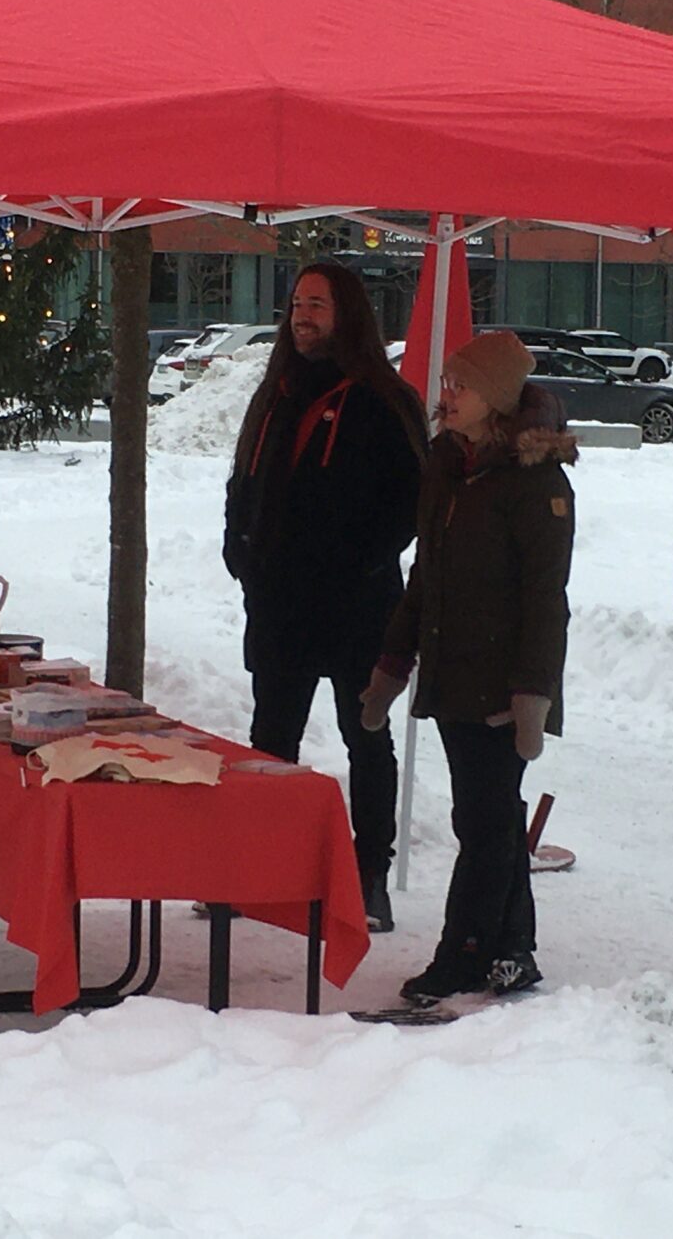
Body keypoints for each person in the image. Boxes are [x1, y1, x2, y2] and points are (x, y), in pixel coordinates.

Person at [361, 331, 576, 1004]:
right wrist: (391, 669)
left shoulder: (537, 483)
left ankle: (465, 952)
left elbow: (547, 601)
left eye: (461, 385)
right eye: (446, 382)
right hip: (452, 675)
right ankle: (513, 951)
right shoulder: (447, 466)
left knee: (482, 825)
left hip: (504, 687)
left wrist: (532, 697)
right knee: (492, 819)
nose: (445, 395)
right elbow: (424, 575)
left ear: (500, 398)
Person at [224, 263, 427, 932]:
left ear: (348, 315)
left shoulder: (382, 399)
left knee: (364, 737)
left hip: (356, 608)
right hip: (279, 604)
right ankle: (261, 866)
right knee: (270, 740)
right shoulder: (276, 391)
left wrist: (356, 563)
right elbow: (244, 478)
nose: (302, 314)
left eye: (318, 303)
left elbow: (408, 507)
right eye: (297, 302)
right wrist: (240, 546)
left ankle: (370, 874)